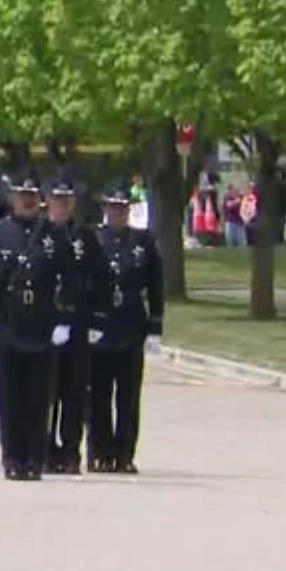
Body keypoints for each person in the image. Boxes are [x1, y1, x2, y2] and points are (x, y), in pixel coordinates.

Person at [0, 169, 77, 482]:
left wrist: (64, 320)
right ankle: (12, 458)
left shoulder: (55, 235)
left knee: (38, 398)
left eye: (32, 195)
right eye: (22, 195)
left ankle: (35, 458)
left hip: (42, 327)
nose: (27, 200)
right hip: (7, 324)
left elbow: (69, 279)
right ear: (12, 198)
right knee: (9, 398)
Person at [89, 182, 164, 474]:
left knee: (128, 396)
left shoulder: (143, 242)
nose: (117, 213)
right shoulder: (93, 239)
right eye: (112, 207)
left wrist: (155, 326)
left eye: (122, 208)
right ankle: (99, 450)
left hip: (131, 326)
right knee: (98, 394)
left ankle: (124, 453)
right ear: (104, 209)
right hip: (100, 326)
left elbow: (155, 285)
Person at [42, 171, 103, 475]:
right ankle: (44, 448)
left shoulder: (84, 236)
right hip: (44, 323)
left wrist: (96, 320)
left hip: (77, 322)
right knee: (44, 390)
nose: (61, 206)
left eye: (66, 201)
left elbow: (100, 278)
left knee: (74, 391)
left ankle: (69, 450)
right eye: (56, 200)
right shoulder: (39, 233)